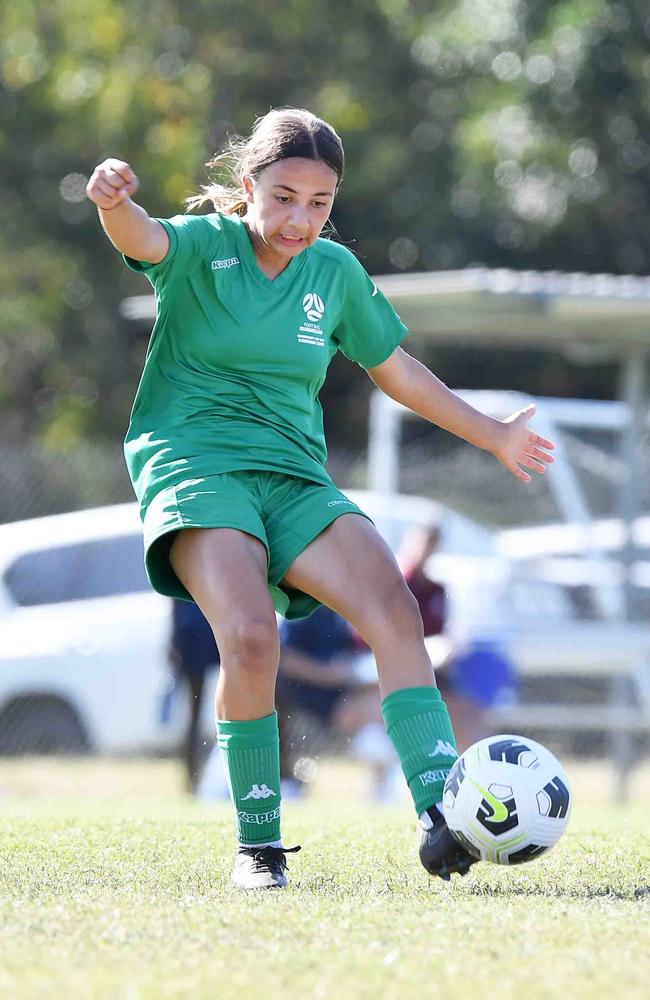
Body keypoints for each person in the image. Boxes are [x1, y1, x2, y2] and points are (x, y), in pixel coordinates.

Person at [86, 107, 554, 890]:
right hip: (196, 465)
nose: (300, 218)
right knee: (250, 636)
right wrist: (112, 204)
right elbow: (144, 239)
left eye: (320, 203)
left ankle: (440, 814)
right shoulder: (206, 248)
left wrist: (494, 433)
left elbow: (397, 370)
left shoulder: (333, 273)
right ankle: (259, 846)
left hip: (295, 475)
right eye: (284, 196)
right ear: (248, 188)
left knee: (395, 612)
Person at [398, 522, 514, 751]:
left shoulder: (436, 590)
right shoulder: (397, 584)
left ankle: (482, 766)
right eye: (422, 543)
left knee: (471, 711)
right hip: (398, 667)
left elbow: (439, 634)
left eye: (431, 545)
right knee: (452, 714)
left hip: (431, 667)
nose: (425, 551)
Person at [276, 605, 397, 799]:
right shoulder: (300, 609)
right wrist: (328, 674)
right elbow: (285, 659)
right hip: (308, 709)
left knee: (381, 706)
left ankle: (384, 789)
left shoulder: (339, 610)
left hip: (346, 701)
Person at [167, 599, 220, 792]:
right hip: (194, 634)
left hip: (213, 624)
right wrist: (174, 640)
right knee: (194, 714)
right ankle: (192, 778)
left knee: (195, 715)